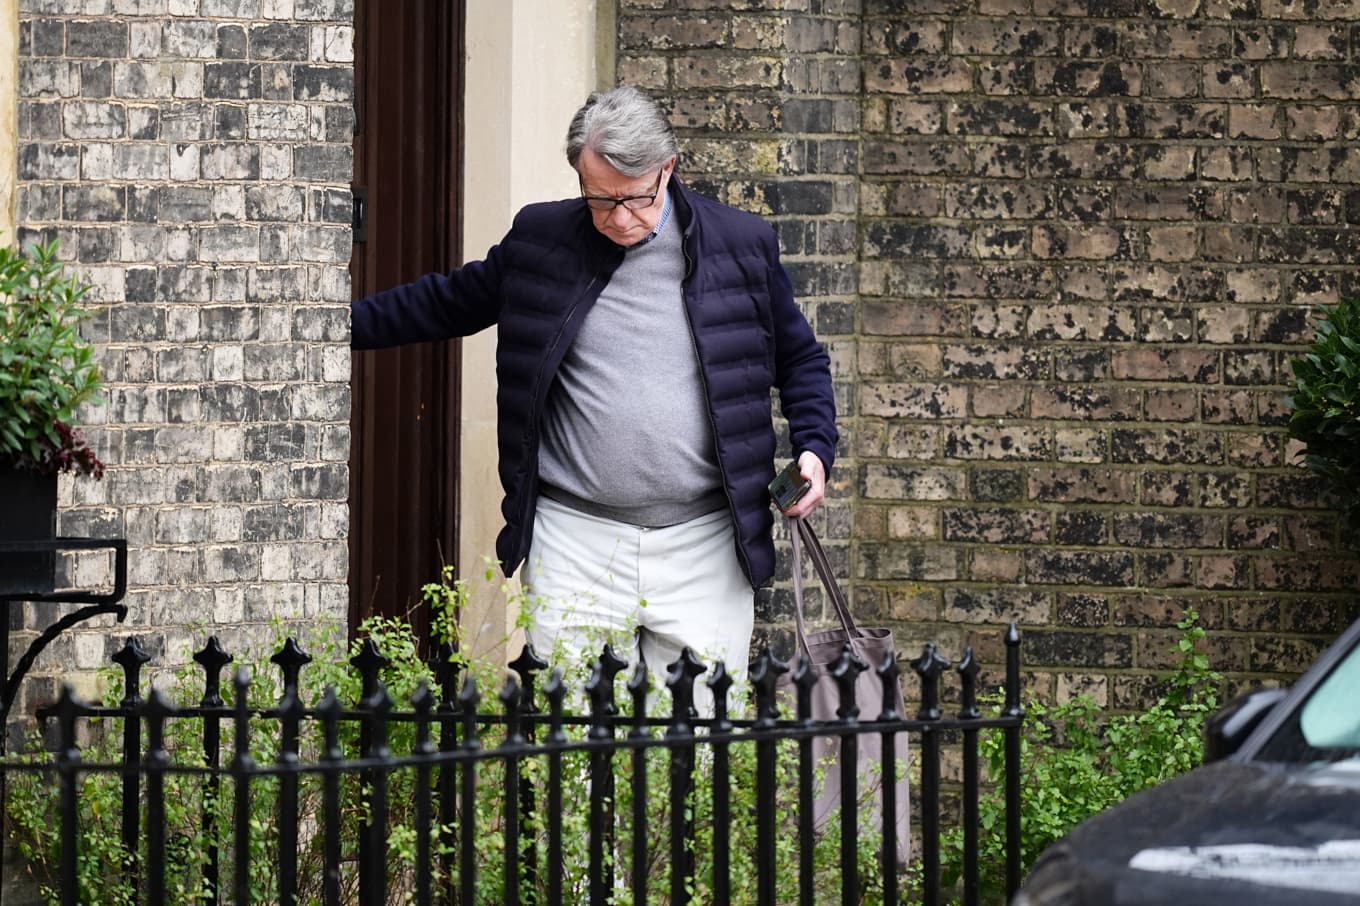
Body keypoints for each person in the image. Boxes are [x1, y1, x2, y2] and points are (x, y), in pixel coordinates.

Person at [351, 86, 838, 697]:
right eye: (599, 199)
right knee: (572, 757)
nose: (618, 217)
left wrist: (815, 451)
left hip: (705, 542)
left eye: (634, 199)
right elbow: (449, 301)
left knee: (695, 757)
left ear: (667, 169)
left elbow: (800, 361)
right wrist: (324, 330)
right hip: (575, 535)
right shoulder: (543, 239)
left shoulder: (740, 246)